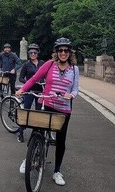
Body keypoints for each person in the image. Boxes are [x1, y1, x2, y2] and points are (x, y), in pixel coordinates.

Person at [16, 37, 79, 186]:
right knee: (37, 129)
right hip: (48, 104)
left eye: (66, 50)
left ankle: (57, 171)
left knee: (61, 140)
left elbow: (76, 89)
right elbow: (34, 79)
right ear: (56, 52)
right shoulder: (49, 65)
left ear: (70, 53)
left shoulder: (74, 70)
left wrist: (72, 95)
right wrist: (22, 89)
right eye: (60, 50)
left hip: (64, 109)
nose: (63, 53)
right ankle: (29, 158)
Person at [17, 43, 45, 143]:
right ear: (29, 53)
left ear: (38, 53)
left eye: (35, 52)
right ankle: (20, 132)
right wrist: (28, 82)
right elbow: (20, 78)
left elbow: (47, 75)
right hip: (29, 91)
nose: (33, 54)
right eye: (31, 52)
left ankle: (36, 133)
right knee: (26, 111)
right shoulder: (26, 65)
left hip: (40, 91)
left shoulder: (42, 63)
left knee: (38, 112)